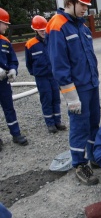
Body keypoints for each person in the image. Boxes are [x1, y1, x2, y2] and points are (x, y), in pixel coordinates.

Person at [46, 0, 101, 185]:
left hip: (91, 84)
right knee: (79, 125)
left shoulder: (82, 25)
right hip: (77, 88)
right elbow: (59, 64)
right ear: (70, 2)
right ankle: (79, 163)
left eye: (87, 6)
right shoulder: (58, 25)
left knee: (94, 122)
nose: (85, 9)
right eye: (83, 5)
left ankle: (94, 156)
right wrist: (71, 97)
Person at [25, 15, 67, 134]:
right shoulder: (30, 44)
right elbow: (28, 63)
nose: (43, 32)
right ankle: (50, 123)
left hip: (53, 76)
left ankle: (57, 122)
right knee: (46, 99)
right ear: (35, 30)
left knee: (56, 98)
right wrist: (35, 73)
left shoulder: (50, 40)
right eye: (40, 30)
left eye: (44, 29)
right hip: (41, 77)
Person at [0, 8, 28, 149]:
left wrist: (12, 69)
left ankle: (16, 134)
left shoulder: (5, 42)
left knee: (9, 108)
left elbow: (13, 59)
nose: (7, 26)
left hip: (3, 83)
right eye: (4, 23)